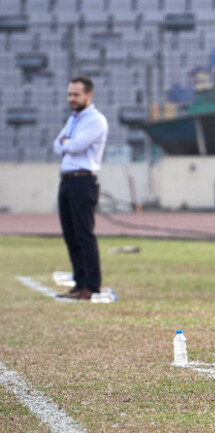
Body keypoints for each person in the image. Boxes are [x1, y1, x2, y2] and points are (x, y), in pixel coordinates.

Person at [54, 77, 108, 300]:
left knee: (84, 234)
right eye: (69, 94)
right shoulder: (73, 119)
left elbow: (74, 145)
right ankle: (79, 282)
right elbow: (57, 145)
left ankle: (91, 285)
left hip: (83, 181)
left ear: (88, 95)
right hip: (67, 180)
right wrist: (66, 142)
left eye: (76, 94)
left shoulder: (95, 120)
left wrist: (67, 142)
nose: (72, 99)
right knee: (71, 234)